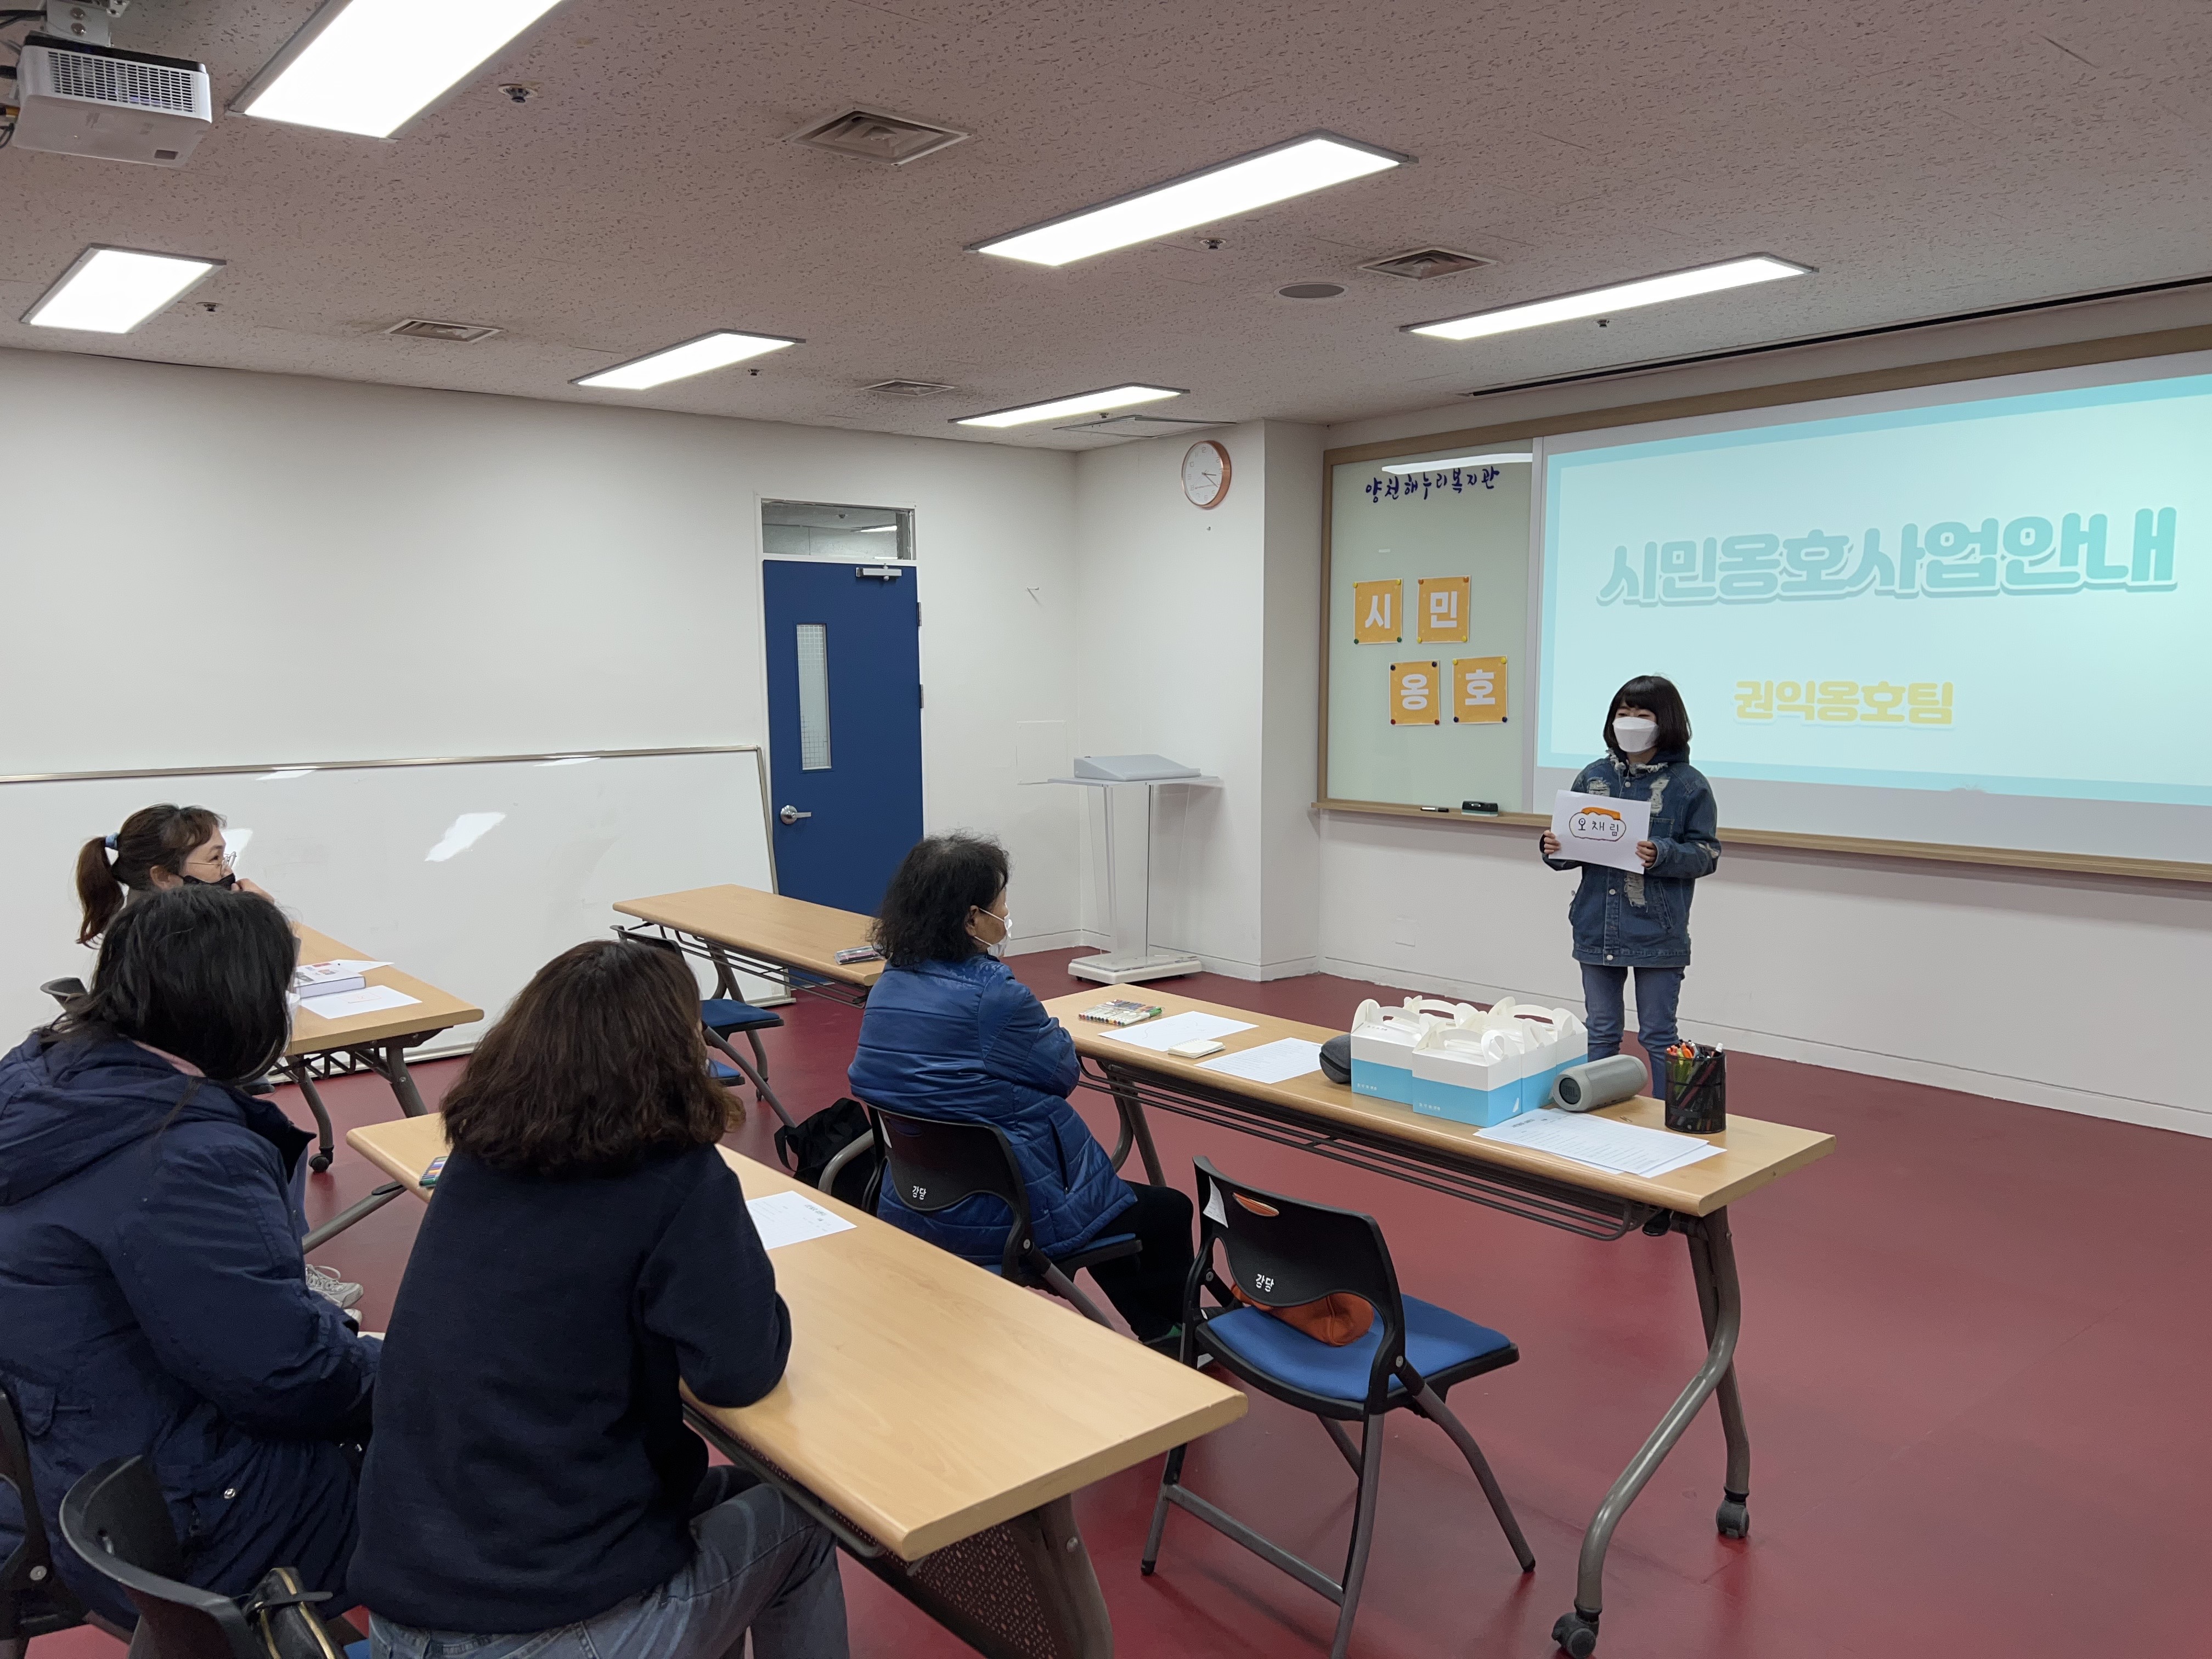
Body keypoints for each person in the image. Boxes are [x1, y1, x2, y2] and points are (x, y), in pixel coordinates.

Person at [352, 940, 847, 1659]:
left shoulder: (476, 1160)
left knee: (735, 1493)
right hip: (540, 1624)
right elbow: (739, 1372)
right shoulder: (678, 1180)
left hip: (409, 1600)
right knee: (801, 1522)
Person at [0, 886, 379, 1628]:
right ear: (237, 999)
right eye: (282, 985)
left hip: (79, 1470)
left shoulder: (41, 1080)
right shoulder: (185, 1157)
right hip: (189, 1527)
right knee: (465, 1467)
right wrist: (400, 1370)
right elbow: (285, 1375)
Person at [848, 833, 1196, 1347]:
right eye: (1000, 903)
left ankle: (1158, 1329)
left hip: (913, 1201)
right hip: (1005, 1216)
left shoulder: (888, 986)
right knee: (1165, 1210)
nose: (1006, 913)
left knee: (1114, 1205)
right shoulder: (995, 997)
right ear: (971, 920)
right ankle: (1177, 1346)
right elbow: (1062, 1074)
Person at [1539, 674, 1721, 1079]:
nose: (1631, 722)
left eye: (1643, 714)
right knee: (1601, 1031)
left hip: (1657, 930)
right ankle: (1596, 1118)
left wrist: (1663, 853)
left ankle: (1668, 1123)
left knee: (1659, 1034)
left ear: (1666, 722)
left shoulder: (1689, 786)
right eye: (1624, 713)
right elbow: (1571, 848)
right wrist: (1553, 849)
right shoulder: (1593, 777)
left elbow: (1707, 854)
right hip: (1596, 924)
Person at [75, 803, 273, 945]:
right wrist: (260, 917)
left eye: (224, 857)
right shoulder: (171, 941)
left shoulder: (146, 922)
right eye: (214, 859)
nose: (227, 870)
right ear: (163, 877)